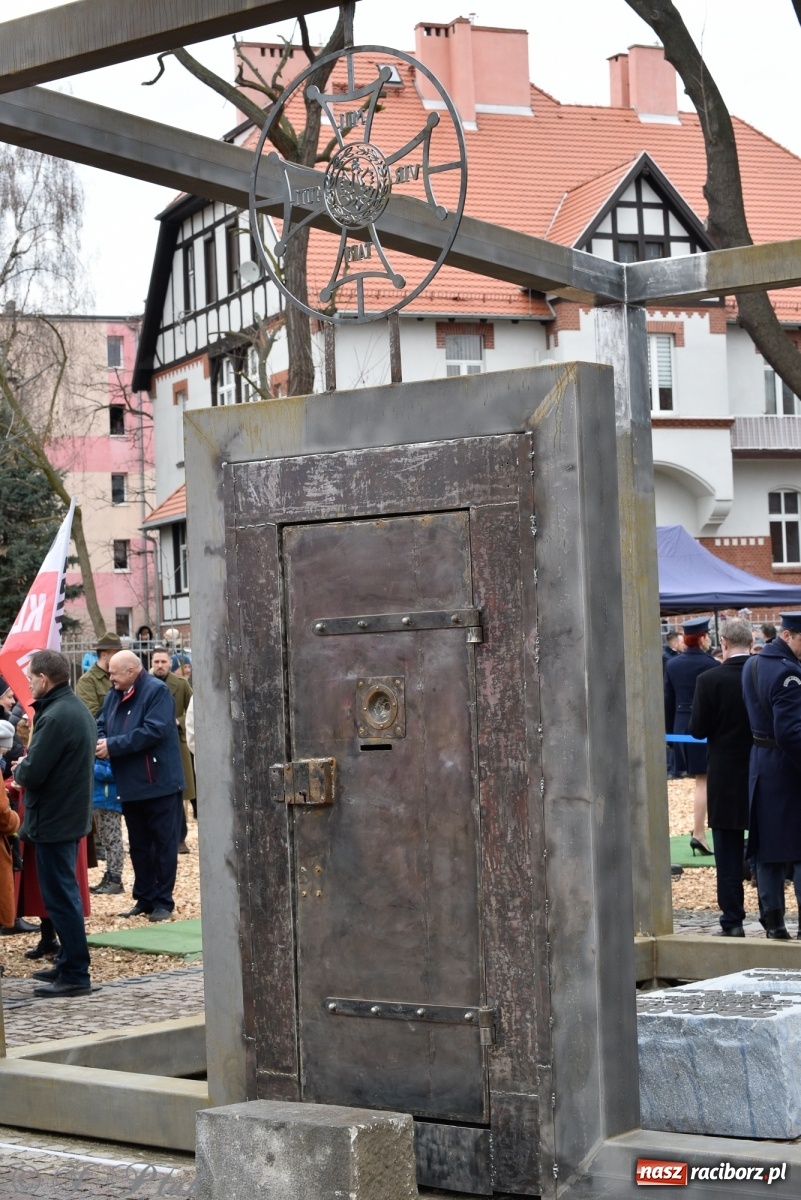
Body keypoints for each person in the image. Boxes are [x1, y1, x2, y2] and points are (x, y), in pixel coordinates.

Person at [12, 649, 97, 997]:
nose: (29, 683)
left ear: (44, 679)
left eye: (31, 677)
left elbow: (34, 770)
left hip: (54, 818)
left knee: (61, 897)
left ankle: (75, 972)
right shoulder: (74, 708)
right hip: (67, 814)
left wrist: (19, 768)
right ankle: (68, 963)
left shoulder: (57, 715)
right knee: (64, 894)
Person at [96, 650, 184, 922]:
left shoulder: (156, 692)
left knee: (163, 844)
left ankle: (163, 901)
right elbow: (101, 723)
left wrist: (113, 745)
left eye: (114, 672)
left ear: (132, 671)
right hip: (130, 782)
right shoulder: (115, 694)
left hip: (159, 782)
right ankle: (144, 897)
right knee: (139, 844)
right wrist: (101, 740)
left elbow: (154, 730)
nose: (109, 677)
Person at [689, 617, 754, 937]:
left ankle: (732, 919)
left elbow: (697, 729)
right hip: (761, 770)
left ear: (724, 643)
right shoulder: (762, 675)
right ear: (753, 643)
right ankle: (774, 916)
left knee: (727, 851)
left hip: (725, 772)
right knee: (770, 848)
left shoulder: (709, 679)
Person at [742, 611, 801, 939]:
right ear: (789, 635)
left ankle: (774, 923)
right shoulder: (787, 673)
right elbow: (790, 732)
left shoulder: (752, 665)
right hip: (786, 767)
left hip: (760, 765)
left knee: (765, 847)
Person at [664, 616, 718, 852]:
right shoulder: (711, 665)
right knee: (703, 781)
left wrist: (668, 732)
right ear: (703, 637)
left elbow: (668, 699)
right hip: (703, 727)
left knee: (699, 781)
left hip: (679, 725)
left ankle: (698, 828)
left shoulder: (673, 664)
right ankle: (699, 832)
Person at [151, 646, 196, 830]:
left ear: (170, 662)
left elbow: (194, 710)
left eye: (163, 661)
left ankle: (180, 836)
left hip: (176, 741)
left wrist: (179, 721)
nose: (160, 665)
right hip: (151, 742)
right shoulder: (143, 684)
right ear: (151, 663)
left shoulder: (181, 683)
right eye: (156, 662)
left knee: (178, 789)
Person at [75, 633, 123, 717]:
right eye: (115, 654)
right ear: (104, 655)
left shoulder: (122, 675)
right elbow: (91, 715)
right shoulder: (87, 680)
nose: (120, 658)